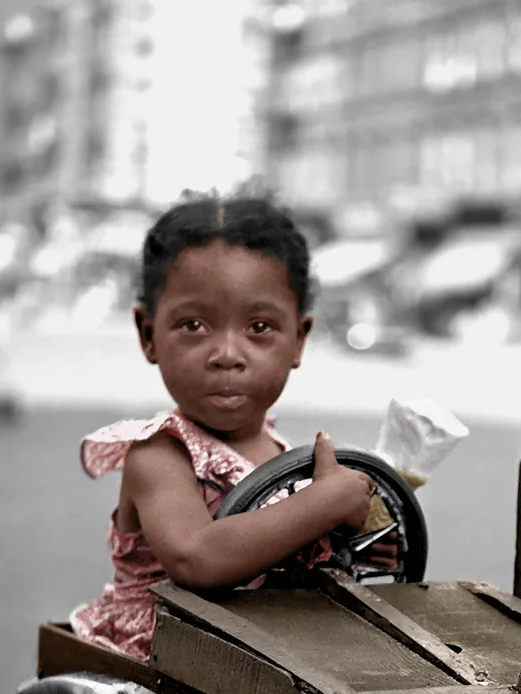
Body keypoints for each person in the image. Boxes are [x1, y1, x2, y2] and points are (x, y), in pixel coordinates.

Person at [70, 190, 383, 659]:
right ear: (147, 333)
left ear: (299, 340)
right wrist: (323, 504)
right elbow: (197, 557)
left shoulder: (281, 455)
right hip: (170, 658)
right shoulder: (159, 454)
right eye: (194, 326)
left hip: (256, 652)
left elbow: (291, 554)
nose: (228, 356)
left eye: (259, 328)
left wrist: (360, 539)